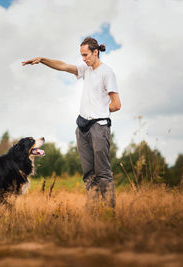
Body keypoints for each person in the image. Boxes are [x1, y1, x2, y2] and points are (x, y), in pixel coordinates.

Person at [22, 37, 121, 208]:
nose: (83, 59)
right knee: (88, 174)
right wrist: (42, 60)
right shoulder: (86, 69)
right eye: (81, 55)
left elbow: (117, 104)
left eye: (86, 55)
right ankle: (93, 214)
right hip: (82, 128)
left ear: (95, 52)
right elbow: (64, 66)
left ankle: (109, 214)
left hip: (99, 127)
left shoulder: (107, 73)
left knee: (102, 173)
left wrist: (100, 111)